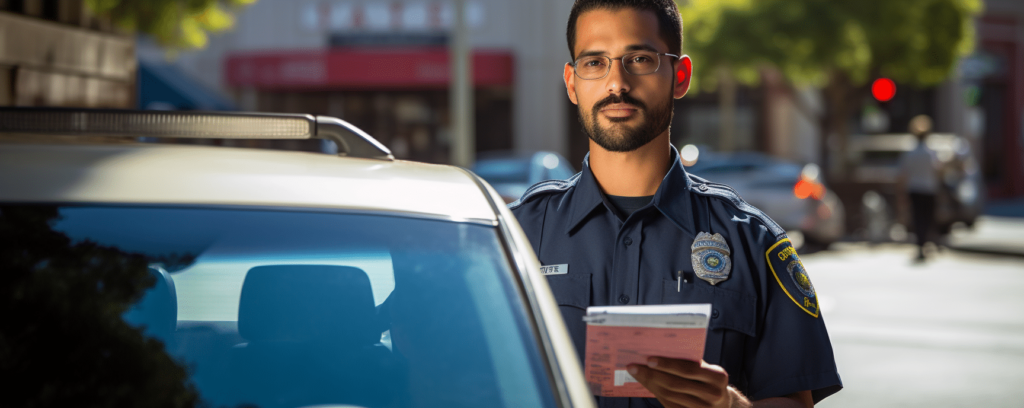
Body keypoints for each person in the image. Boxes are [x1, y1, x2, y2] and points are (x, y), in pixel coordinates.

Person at [508, 1, 842, 407]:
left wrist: (729, 405)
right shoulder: (514, 236)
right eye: (594, 62)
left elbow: (795, 400)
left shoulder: (752, 241)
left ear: (680, 76)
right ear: (572, 82)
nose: (617, 83)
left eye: (640, 59)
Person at [897, 115, 941, 261]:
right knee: (927, 219)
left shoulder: (911, 153)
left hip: (915, 189)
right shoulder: (931, 153)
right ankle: (926, 244)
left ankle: (921, 245)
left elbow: (903, 174)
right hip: (928, 189)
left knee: (918, 218)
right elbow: (938, 170)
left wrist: (902, 193)